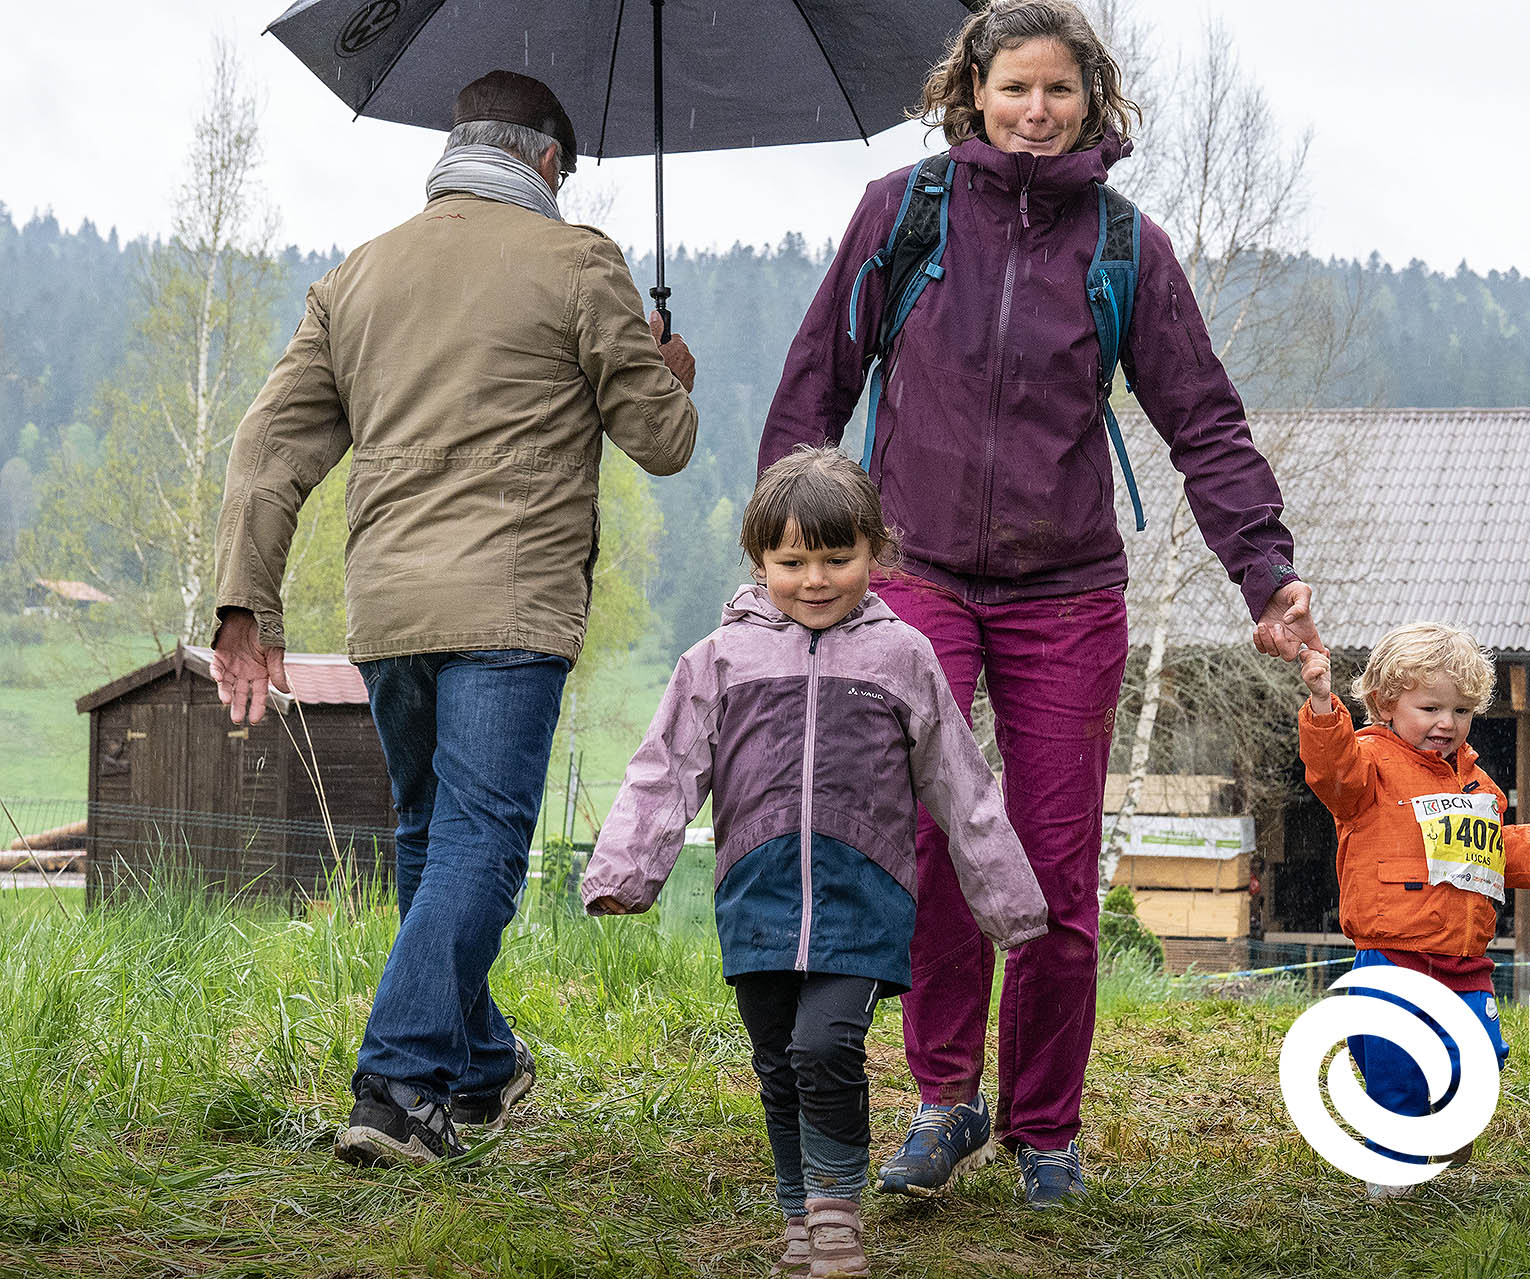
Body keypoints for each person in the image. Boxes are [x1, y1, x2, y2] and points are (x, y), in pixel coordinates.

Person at [758, 0, 1321, 1207]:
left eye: (1058, 90)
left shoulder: (1126, 246)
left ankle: (1045, 1125)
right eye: (1014, 87)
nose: (1035, 110)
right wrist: (787, 553)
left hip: (1067, 590)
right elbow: (816, 382)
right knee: (936, 838)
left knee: (1055, 866)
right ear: (972, 92)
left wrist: (1265, 574)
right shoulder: (902, 214)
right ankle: (943, 1099)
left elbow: (1205, 422)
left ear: (1091, 101)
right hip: (913, 571)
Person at [207, 69, 699, 1168]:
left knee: (431, 839)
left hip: (388, 608)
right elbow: (662, 442)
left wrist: (246, 602)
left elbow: (267, 448)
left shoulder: (356, 276)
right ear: (548, 162)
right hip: (513, 604)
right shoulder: (580, 262)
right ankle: (398, 1085)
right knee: (479, 842)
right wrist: (668, 369)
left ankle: (478, 1066)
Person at [581, 446, 1048, 1277]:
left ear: (876, 551)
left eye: (838, 557)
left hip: (862, 899)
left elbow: (963, 784)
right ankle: (799, 1214)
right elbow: (663, 768)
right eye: (792, 561)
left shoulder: (902, 656)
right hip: (755, 897)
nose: (816, 579)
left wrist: (1009, 901)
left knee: (825, 1045)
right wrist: (625, 870)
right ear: (758, 560)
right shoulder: (717, 660)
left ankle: (836, 1217)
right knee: (777, 1059)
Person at [1296, 623, 1530, 1198]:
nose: (1446, 723)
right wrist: (1322, 704)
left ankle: (1450, 1121)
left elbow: (1493, 851)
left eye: (1461, 710)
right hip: (1393, 952)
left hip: (1464, 955)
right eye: (1430, 707)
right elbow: (1330, 770)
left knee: (1482, 1058)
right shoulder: (1366, 765)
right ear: (1385, 702)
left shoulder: (1479, 786)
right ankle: (1392, 1165)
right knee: (1395, 1067)